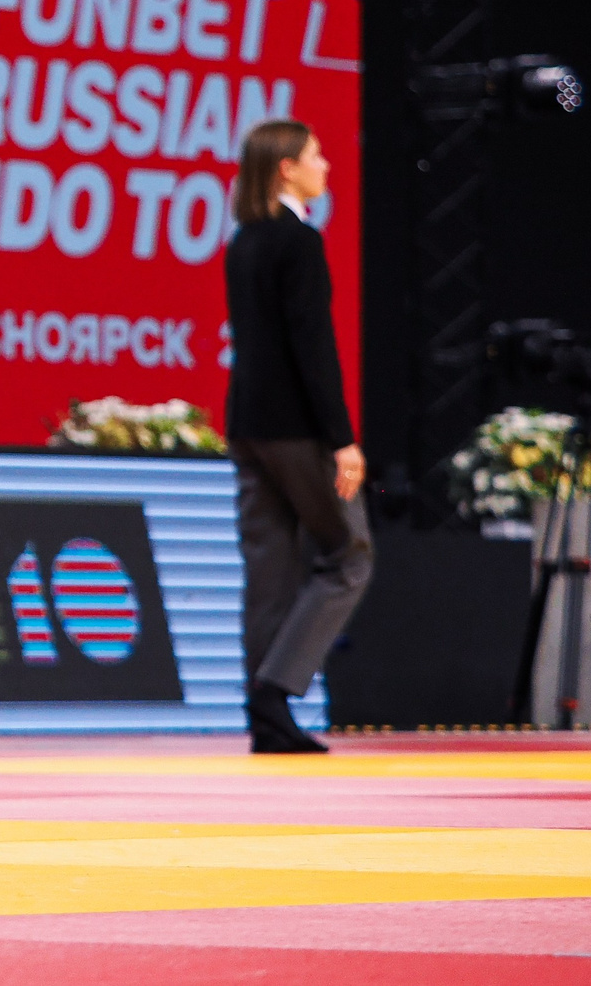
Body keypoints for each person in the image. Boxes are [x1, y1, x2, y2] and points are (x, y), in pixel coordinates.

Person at [224, 118, 370, 755]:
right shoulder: (299, 241)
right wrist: (342, 439)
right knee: (350, 556)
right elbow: (313, 347)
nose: (325, 165)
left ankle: (266, 714)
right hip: (294, 429)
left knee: (270, 569)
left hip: (247, 424)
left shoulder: (244, 241)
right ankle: (277, 688)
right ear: (286, 168)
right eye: (315, 155)